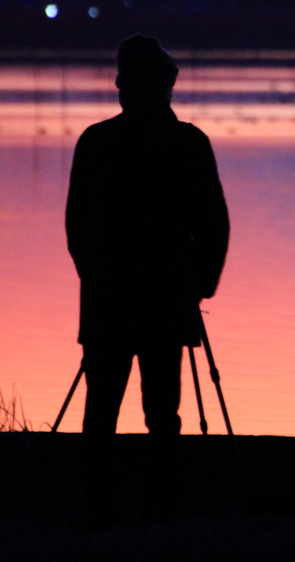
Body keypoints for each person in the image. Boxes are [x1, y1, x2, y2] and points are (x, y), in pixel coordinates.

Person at [66, 34, 229, 438]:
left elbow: (75, 226)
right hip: (168, 298)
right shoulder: (189, 143)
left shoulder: (96, 141)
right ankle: (162, 501)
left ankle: (98, 499)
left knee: (100, 411)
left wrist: (93, 275)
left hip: (108, 298)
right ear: (167, 87)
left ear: (123, 90)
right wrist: (199, 286)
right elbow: (213, 226)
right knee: (162, 414)